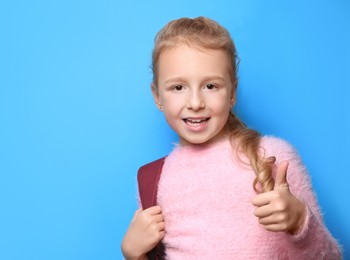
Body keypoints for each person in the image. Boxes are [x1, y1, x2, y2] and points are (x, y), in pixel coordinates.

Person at [121, 16, 342, 259]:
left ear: (232, 92)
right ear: (157, 96)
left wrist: (301, 221)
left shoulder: (271, 157)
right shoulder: (153, 179)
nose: (195, 103)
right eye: (178, 87)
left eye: (211, 86)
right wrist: (134, 255)